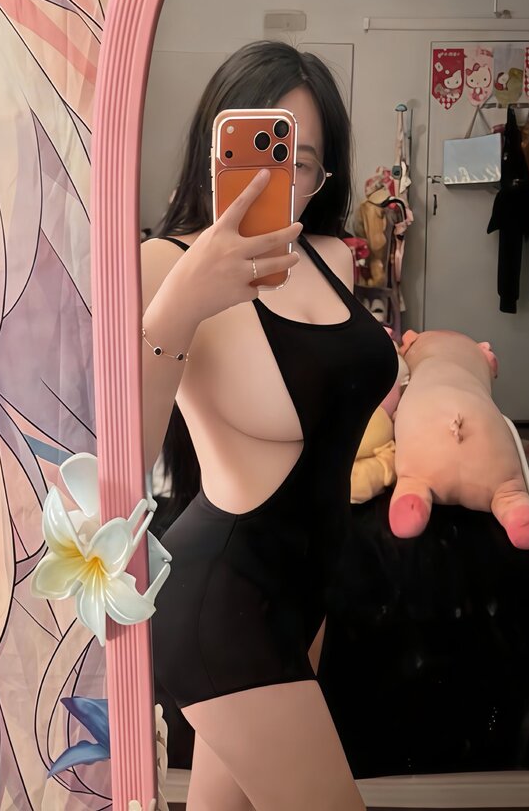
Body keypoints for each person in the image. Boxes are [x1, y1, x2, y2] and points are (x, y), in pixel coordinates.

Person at [141, 40, 398, 810]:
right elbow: (122, 451)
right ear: (215, 149)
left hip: (304, 594)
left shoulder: (330, 256)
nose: (276, 182)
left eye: (300, 162)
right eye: (261, 152)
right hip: (221, 602)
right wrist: (183, 303)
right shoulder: (164, 264)